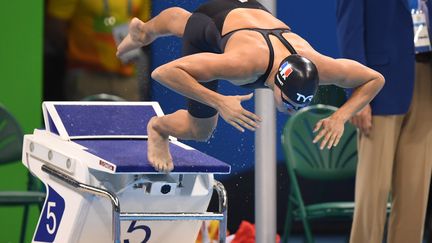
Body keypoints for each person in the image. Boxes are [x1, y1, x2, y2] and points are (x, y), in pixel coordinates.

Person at [117, 0, 385, 172]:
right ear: (277, 84)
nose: (293, 111)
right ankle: (158, 128)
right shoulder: (244, 64)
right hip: (213, 24)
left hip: (249, 11)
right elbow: (163, 73)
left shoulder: (319, 65)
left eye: (301, 105)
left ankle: (143, 31)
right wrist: (219, 101)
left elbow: (375, 79)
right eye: (289, 103)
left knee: (188, 23)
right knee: (200, 130)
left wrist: (341, 116)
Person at [336, 0, 432, 242]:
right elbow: (350, 29)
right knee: (374, 190)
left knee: (415, 189)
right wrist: (358, 91)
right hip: (380, 83)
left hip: (426, 77)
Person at [45, 0, 151, 101]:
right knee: (84, 119)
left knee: (129, 119)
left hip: (126, 74)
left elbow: (145, 27)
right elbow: (55, 25)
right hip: (85, 74)